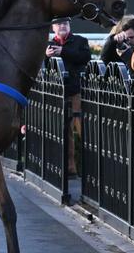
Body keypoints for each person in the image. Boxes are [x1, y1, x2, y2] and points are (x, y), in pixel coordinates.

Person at [45, 16, 90, 175]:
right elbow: (40, 65)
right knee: (64, 131)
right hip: (57, 93)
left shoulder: (80, 41)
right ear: (53, 28)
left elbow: (84, 58)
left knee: (84, 129)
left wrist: (63, 51)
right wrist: (47, 56)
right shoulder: (48, 44)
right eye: (58, 24)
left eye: (65, 23)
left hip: (76, 91)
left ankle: (91, 169)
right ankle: (70, 169)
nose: (62, 26)